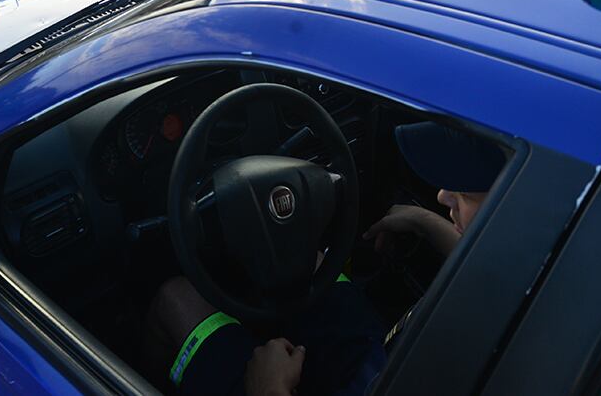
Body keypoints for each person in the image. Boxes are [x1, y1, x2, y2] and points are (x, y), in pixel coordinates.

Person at [146, 121, 506, 396]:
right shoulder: (534, 266)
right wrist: (424, 222)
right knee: (311, 260)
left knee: (174, 298)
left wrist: (268, 388)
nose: (442, 196)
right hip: (381, 361)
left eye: (463, 192)